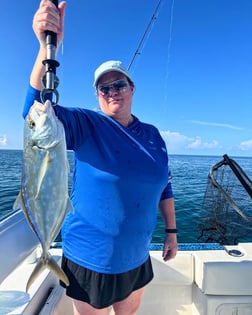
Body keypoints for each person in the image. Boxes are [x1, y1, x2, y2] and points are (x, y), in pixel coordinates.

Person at [24, 1, 178, 314]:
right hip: (88, 259)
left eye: (119, 84)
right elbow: (35, 108)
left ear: (132, 88)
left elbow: (164, 186)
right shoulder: (86, 124)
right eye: (103, 88)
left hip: (137, 256)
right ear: (97, 95)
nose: (112, 91)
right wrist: (45, 48)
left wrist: (172, 232)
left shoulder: (153, 135)